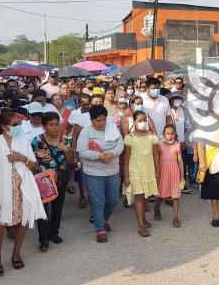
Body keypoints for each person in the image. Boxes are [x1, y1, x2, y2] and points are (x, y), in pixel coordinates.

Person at [0, 112, 46, 277]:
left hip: (21, 188)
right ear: (3, 126)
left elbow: (34, 167)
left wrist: (22, 158)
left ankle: (16, 253)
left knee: (21, 221)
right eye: (14, 125)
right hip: (0, 190)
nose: (18, 127)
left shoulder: (23, 141)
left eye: (18, 124)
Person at [77, 105, 123, 243]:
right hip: (93, 172)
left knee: (113, 199)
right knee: (98, 202)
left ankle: (104, 219)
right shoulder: (86, 131)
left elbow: (120, 144)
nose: (101, 123)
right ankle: (100, 229)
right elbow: (82, 151)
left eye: (103, 120)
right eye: (98, 120)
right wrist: (99, 156)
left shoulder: (112, 128)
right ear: (91, 120)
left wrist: (113, 153)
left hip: (112, 170)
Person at [32, 112, 74, 251]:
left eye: (56, 124)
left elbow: (71, 161)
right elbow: (33, 162)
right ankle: (44, 239)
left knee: (57, 208)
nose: (54, 127)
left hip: (61, 179)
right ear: (44, 126)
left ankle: (54, 233)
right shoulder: (36, 141)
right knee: (43, 211)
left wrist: (66, 150)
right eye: (51, 125)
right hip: (43, 180)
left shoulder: (65, 139)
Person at [123, 111, 159, 237]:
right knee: (139, 196)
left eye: (145, 120)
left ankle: (142, 218)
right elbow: (126, 157)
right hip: (135, 169)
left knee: (145, 197)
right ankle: (141, 225)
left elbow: (155, 155)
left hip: (148, 169)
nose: (142, 122)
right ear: (134, 122)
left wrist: (157, 172)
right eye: (139, 120)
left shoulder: (152, 136)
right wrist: (126, 175)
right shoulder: (129, 138)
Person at [154, 124, 184, 227]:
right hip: (163, 172)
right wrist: (156, 173)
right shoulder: (160, 144)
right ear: (163, 134)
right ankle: (157, 208)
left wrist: (182, 176)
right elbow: (156, 158)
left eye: (172, 133)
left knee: (175, 196)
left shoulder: (177, 145)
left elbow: (180, 161)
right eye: (167, 133)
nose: (170, 135)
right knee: (161, 194)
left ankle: (175, 217)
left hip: (174, 172)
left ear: (175, 134)